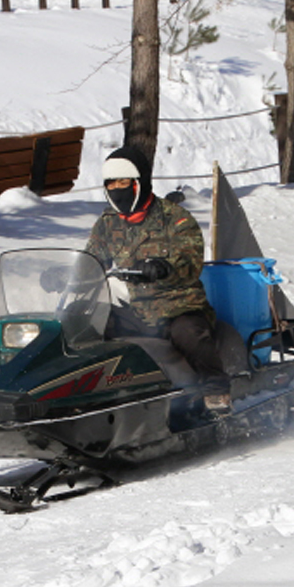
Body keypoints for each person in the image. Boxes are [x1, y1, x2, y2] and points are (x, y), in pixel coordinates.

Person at [84, 145, 232, 412]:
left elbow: (190, 263)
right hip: (138, 312)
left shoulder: (175, 218)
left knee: (189, 335)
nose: (117, 189)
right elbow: (92, 261)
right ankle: (85, 392)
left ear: (139, 182)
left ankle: (216, 391)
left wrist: (164, 268)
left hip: (179, 309)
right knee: (87, 324)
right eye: (111, 184)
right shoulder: (107, 224)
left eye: (123, 182)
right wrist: (67, 274)